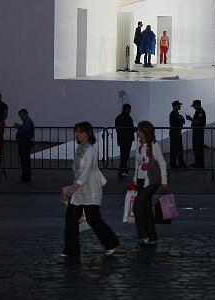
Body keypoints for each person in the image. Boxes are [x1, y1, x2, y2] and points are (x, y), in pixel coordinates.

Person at [62, 122, 119, 258]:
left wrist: (73, 187)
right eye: (76, 131)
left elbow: (86, 171)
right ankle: (71, 249)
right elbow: (78, 171)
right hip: (79, 189)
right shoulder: (80, 148)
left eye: (79, 132)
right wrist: (71, 187)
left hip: (91, 189)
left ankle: (111, 243)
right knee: (71, 218)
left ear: (87, 134)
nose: (77, 134)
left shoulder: (91, 150)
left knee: (93, 219)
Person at [132, 121, 168, 246]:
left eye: (139, 130)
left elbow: (162, 163)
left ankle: (144, 234)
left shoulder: (154, 146)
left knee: (137, 205)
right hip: (141, 179)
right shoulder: (139, 144)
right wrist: (134, 180)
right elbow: (137, 163)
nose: (137, 132)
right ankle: (152, 236)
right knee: (146, 208)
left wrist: (164, 181)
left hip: (151, 180)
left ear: (145, 132)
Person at [14, 108, 35, 183]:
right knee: (25, 160)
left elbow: (26, 129)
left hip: (25, 142)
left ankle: (25, 176)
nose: (20, 117)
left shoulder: (27, 121)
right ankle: (26, 176)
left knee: (24, 160)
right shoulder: (27, 120)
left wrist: (18, 126)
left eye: (21, 115)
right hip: (25, 142)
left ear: (24, 114)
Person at [114, 104, 135, 177]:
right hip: (127, 139)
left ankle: (122, 170)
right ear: (127, 109)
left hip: (121, 139)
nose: (130, 111)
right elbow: (131, 128)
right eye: (129, 109)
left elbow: (117, 128)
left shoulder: (118, 117)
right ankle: (123, 171)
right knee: (125, 155)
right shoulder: (128, 118)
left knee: (123, 155)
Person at [186, 100, 207, 168]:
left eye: (194, 106)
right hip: (196, 132)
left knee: (199, 147)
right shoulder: (197, 112)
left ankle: (200, 164)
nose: (194, 107)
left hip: (199, 132)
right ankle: (197, 162)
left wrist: (191, 119)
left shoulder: (201, 112)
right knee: (196, 147)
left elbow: (199, 123)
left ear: (198, 105)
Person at [169, 100, 187, 168]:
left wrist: (182, 118)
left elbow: (183, 121)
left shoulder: (175, 114)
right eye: (179, 105)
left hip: (176, 133)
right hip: (175, 134)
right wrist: (182, 118)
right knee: (176, 149)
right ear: (175, 106)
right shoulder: (174, 114)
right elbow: (182, 120)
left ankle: (175, 164)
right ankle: (177, 164)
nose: (180, 106)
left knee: (176, 149)